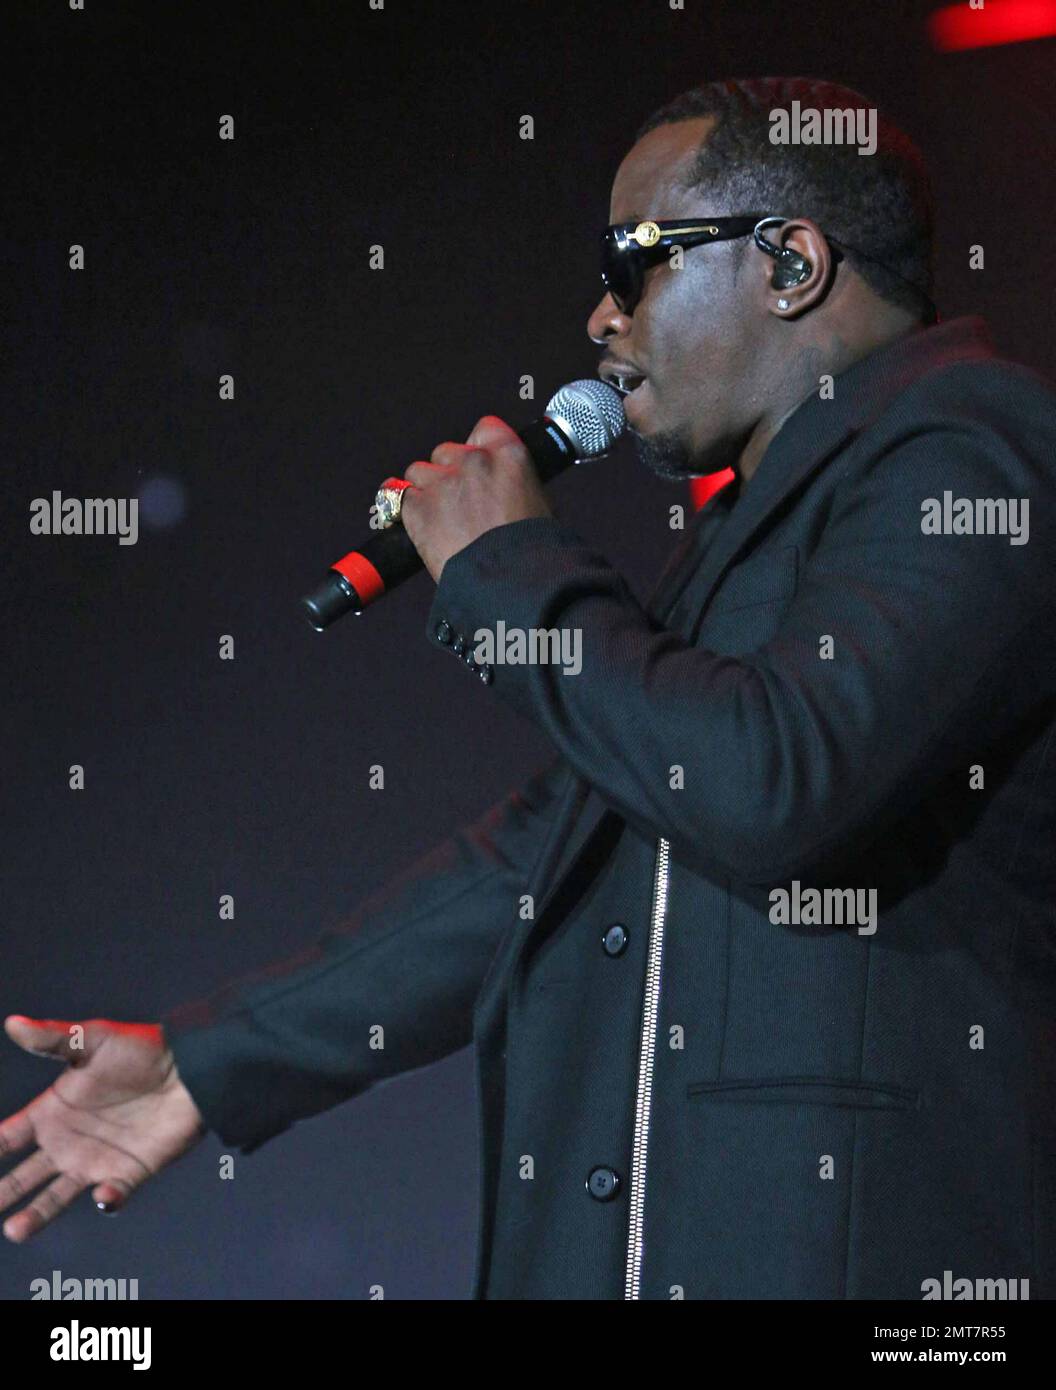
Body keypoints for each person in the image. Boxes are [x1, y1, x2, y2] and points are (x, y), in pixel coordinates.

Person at [3, 76, 1055, 1300]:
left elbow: (776, 777)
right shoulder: (748, 533)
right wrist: (212, 1061)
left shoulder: (972, 441)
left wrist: (509, 570)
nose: (601, 318)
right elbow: (548, 859)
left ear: (789, 263)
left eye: (634, 263)